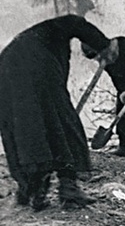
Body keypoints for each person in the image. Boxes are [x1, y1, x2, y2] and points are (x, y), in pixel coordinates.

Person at [0, 15, 116, 210]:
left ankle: (30, 189)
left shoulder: (35, 38)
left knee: (22, 127)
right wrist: (105, 45)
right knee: (62, 122)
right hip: (34, 66)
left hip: (4, 69)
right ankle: (68, 187)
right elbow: (76, 21)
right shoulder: (57, 29)